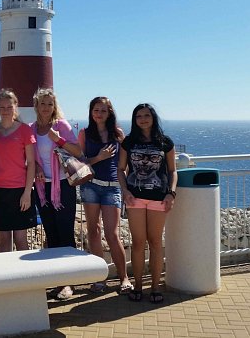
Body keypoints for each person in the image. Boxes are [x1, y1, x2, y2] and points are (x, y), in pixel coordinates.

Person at [118, 103, 177, 304]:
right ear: (134, 120)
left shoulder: (165, 142)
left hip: (159, 197)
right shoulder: (128, 142)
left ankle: (155, 287)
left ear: (153, 118)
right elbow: (120, 169)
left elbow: (172, 171)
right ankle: (137, 286)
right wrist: (125, 191)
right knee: (138, 243)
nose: (143, 119)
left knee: (155, 242)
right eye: (139, 116)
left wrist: (171, 193)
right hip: (134, 198)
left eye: (146, 115)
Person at [29, 88, 82, 299]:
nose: (46, 107)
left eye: (49, 103)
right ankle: (57, 280)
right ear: (36, 105)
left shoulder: (61, 125)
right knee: (51, 234)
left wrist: (58, 139)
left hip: (63, 186)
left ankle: (69, 282)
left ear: (54, 106)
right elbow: (29, 156)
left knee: (65, 233)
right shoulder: (31, 128)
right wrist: (36, 167)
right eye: (42, 103)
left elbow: (78, 151)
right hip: (43, 187)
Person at [77, 97, 133, 295]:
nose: (99, 114)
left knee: (112, 234)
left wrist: (126, 187)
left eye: (103, 110)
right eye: (95, 110)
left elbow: (124, 162)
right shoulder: (84, 133)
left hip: (112, 188)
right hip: (91, 186)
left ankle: (124, 277)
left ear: (109, 113)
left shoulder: (117, 134)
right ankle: (99, 279)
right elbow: (80, 161)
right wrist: (99, 157)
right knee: (93, 231)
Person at [0, 89, 37, 252]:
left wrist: (27, 192)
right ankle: (4, 269)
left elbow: (31, 163)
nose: (5, 110)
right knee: (3, 239)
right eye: (2, 107)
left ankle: (25, 269)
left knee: (21, 238)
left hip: (20, 190)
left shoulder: (25, 130)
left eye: (9, 107)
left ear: (15, 107)